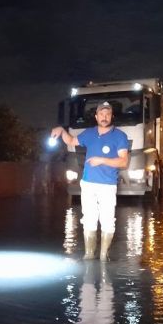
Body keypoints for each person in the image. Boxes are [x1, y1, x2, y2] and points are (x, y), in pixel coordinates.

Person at [51, 102, 129, 261]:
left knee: (107, 219)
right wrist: (61, 130)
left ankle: (103, 254)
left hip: (107, 185)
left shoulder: (120, 136)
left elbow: (123, 162)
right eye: (101, 114)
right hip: (88, 183)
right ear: (96, 116)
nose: (104, 117)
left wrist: (102, 160)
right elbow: (72, 141)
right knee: (88, 218)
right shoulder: (89, 133)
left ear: (111, 116)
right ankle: (89, 254)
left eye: (107, 114)